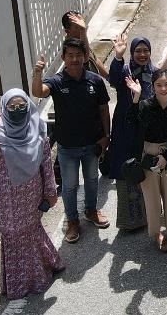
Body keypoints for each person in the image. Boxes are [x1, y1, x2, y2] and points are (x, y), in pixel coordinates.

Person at [0, 89, 64, 299]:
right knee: (12, 236)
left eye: (22, 106)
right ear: (4, 108)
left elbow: (45, 164)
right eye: (12, 107)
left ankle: (44, 269)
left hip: (32, 194)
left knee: (30, 231)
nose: (18, 110)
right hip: (5, 197)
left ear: (28, 106)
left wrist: (50, 191)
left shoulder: (37, 128)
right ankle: (22, 283)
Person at [31, 38, 111, 244]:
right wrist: (38, 74)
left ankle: (91, 211)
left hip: (92, 144)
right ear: (63, 58)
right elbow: (38, 92)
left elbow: (104, 110)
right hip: (67, 146)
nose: (75, 59)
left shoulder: (95, 81)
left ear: (85, 57)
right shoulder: (57, 81)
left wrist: (106, 136)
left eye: (78, 55)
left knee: (92, 180)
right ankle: (73, 221)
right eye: (70, 55)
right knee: (69, 186)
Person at [124, 67, 167, 253]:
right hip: (147, 154)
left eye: (166, 84)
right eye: (158, 85)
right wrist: (135, 98)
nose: (163, 88)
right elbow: (130, 122)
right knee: (151, 197)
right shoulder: (144, 106)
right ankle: (157, 234)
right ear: (152, 87)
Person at [106, 33, 154, 231]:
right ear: (132, 52)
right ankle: (129, 220)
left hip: (145, 128)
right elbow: (114, 79)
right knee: (126, 170)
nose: (142, 54)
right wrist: (118, 56)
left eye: (145, 50)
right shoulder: (124, 71)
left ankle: (148, 214)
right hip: (124, 127)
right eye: (137, 51)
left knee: (146, 169)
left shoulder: (154, 72)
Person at [61, 11, 108, 77]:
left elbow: (94, 59)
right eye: (77, 26)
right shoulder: (70, 46)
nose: (82, 26)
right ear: (67, 31)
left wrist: (109, 78)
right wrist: (83, 31)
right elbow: (85, 57)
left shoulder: (81, 39)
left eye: (82, 22)